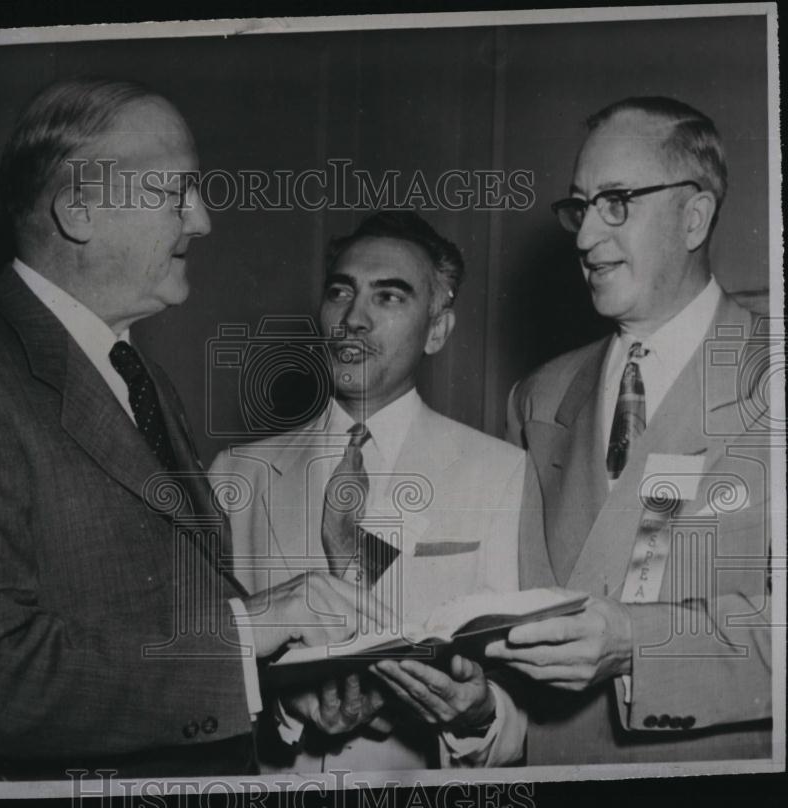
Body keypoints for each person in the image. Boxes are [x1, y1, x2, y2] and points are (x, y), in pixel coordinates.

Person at [0, 77, 374, 780]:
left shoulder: (134, 373)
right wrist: (248, 631)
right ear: (79, 210)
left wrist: (282, 686)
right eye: (173, 193)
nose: (201, 221)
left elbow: (175, 611)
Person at [493, 97, 773, 764]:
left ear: (694, 216)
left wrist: (637, 643)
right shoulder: (538, 397)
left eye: (617, 201)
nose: (586, 237)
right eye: (580, 207)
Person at [210, 212, 528, 771]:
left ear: (437, 330)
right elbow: (203, 674)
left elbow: (526, 704)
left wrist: (476, 717)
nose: (352, 319)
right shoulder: (239, 473)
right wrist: (283, 707)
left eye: (389, 297)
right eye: (341, 292)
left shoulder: (502, 473)